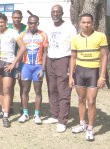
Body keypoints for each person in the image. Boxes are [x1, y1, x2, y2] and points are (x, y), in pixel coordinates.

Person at [69, 13, 108, 141]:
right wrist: (71, 76)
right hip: (79, 72)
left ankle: (90, 128)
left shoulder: (100, 36)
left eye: (89, 22)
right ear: (80, 23)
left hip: (93, 72)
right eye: (84, 22)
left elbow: (104, 56)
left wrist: (102, 76)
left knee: (91, 101)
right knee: (81, 99)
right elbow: (73, 57)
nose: (86, 24)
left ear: (92, 23)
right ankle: (82, 124)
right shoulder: (75, 38)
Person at [43, 4, 77, 133]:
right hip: (50, 60)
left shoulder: (69, 27)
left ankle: (62, 120)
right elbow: (46, 44)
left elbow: (74, 48)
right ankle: (54, 114)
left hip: (64, 60)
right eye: (53, 11)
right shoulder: (48, 26)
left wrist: (71, 65)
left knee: (63, 91)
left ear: (62, 13)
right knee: (52, 89)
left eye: (58, 11)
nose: (55, 14)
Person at [0, 10, 27, 119]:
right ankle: (3, 110)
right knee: (0, 89)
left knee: (7, 89)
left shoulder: (12, 32)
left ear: (6, 22)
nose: (0, 24)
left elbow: (22, 48)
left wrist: (14, 62)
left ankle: (6, 115)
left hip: (8, 62)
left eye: (2, 22)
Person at [17, 15, 48, 125]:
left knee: (38, 91)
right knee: (25, 90)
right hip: (25, 66)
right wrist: (18, 69)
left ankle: (37, 114)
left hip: (38, 67)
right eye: (30, 23)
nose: (32, 25)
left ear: (38, 23)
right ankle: (25, 113)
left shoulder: (43, 35)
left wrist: (43, 69)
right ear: (28, 23)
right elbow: (19, 53)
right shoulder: (22, 35)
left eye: (34, 23)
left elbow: (45, 53)